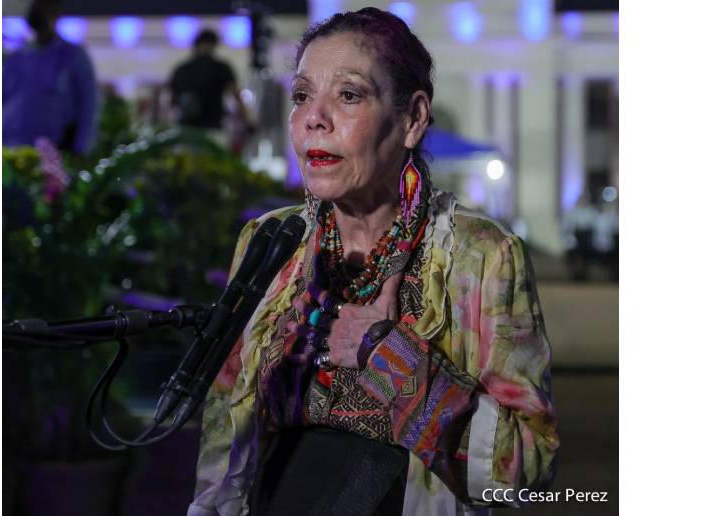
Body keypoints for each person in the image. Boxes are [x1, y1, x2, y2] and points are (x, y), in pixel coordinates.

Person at [188, 8, 558, 516]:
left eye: (349, 94)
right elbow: (223, 426)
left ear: (412, 119)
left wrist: (390, 357)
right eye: (301, 95)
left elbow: (529, 472)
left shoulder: (480, 255)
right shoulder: (271, 241)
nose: (314, 117)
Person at [2, 0, 98, 155]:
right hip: (13, 146)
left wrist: (80, 147)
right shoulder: (16, 58)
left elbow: (88, 103)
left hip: (57, 150)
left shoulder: (72, 55)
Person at [167, 29, 253, 133]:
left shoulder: (181, 70)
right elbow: (234, 93)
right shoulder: (220, 67)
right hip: (212, 127)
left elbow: (172, 101)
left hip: (186, 128)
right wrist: (248, 119)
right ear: (213, 44)